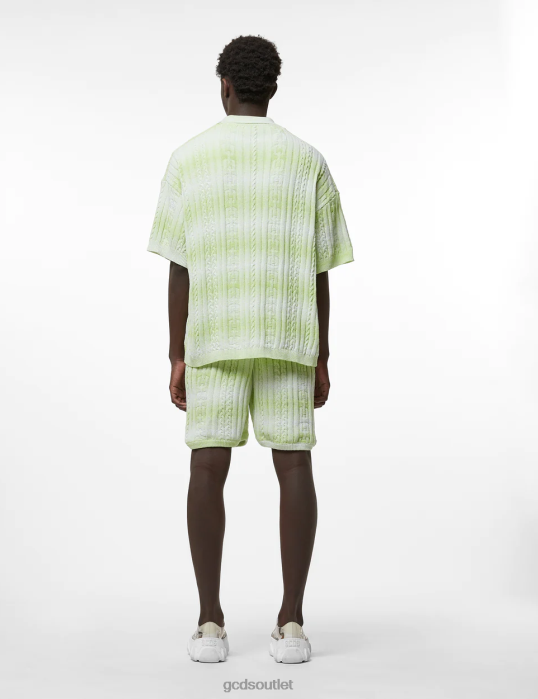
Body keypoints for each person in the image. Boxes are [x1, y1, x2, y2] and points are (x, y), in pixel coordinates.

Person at [147, 35, 353, 664]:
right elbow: (320, 269)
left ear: (225, 86)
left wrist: (176, 353)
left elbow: (179, 267)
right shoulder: (307, 160)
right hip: (289, 333)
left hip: (213, 334)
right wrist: (321, 354)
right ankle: (291, 624)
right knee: (294, 467)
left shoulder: (188, 159)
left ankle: (210, 623)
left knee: (207, 469)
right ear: (272, 88)